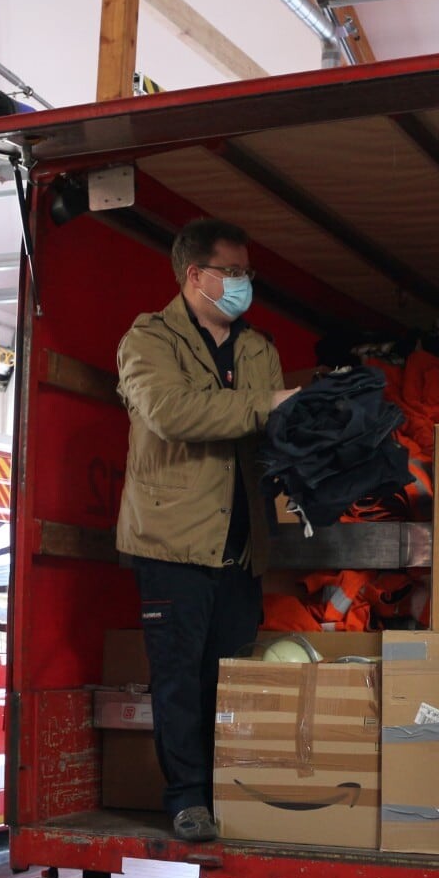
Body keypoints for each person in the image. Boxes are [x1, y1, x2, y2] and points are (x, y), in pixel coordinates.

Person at [115, 218, 297, 843]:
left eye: (248, 272)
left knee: (229, 681)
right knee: (179, 679)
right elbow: (172, 412)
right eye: (234, 271)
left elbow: (273, 431)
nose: (244, 283)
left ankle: (228, 792)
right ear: (196, 275)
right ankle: (187, 798)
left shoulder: (258, 349)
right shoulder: (149, 339)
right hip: (173, 543)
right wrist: (268, 406)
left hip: (241, 548)